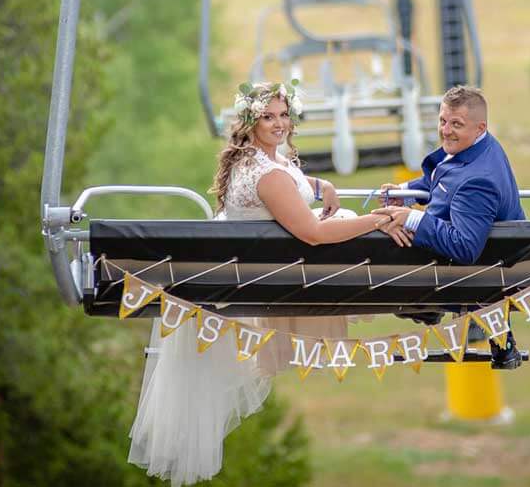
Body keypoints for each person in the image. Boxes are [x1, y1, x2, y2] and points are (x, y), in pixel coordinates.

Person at [129, 81, 394, 486]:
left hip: (254, 270)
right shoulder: (267, 174)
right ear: (250, 122)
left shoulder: (258, 161)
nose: (279, 124)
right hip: (274, 279)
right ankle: (415, 294)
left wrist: (324, 187)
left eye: (284, 115)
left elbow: (293, 185)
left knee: (359, 235)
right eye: (268, 117)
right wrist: (378, 219)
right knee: (378, 239)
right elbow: (314, 234)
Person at [373, 84, 525, 368]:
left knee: (384, 242)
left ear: (480, 128)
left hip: (465, 274)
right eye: (443, 121)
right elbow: (444, 179)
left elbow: (465, 247)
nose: (446, 130)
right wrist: (406, 191)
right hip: (487, 268)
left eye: (457, 124)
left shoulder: (478, 183)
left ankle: (427, 306)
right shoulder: (479, 147)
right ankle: (434, 311)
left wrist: (413, 218)